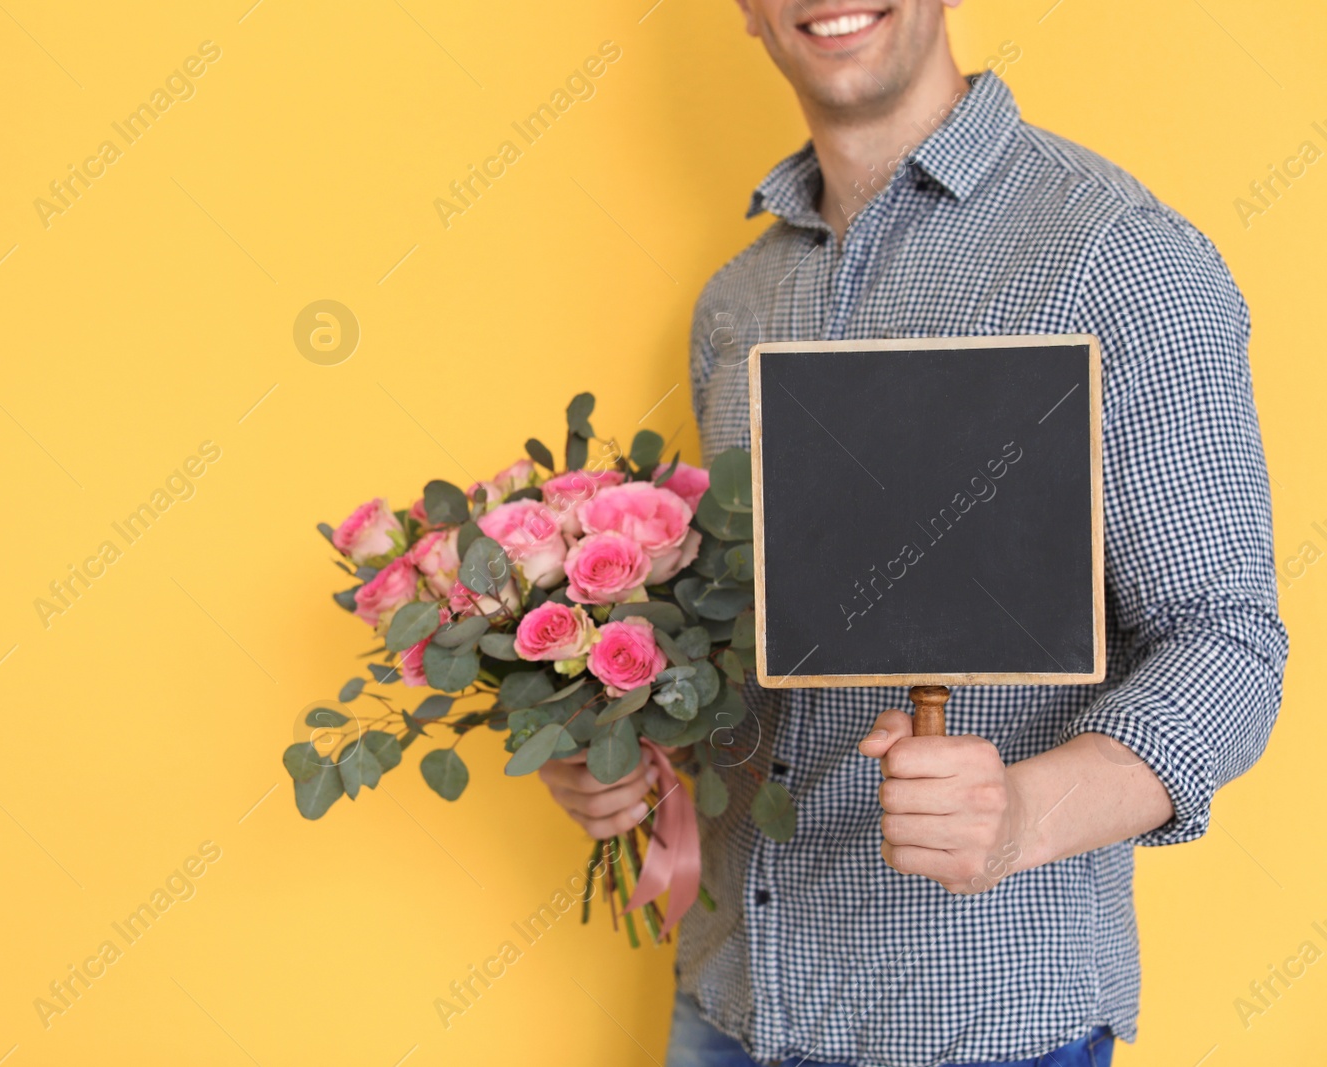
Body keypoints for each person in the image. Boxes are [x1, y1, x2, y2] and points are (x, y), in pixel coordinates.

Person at [536, 2, 1288, 1064]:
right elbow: (763, 659)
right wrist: (636, 759)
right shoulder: (738, 304)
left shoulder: (1116, 259)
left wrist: (1019, 811)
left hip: (975, 1031)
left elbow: (1228, 643)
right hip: (730, 1005)